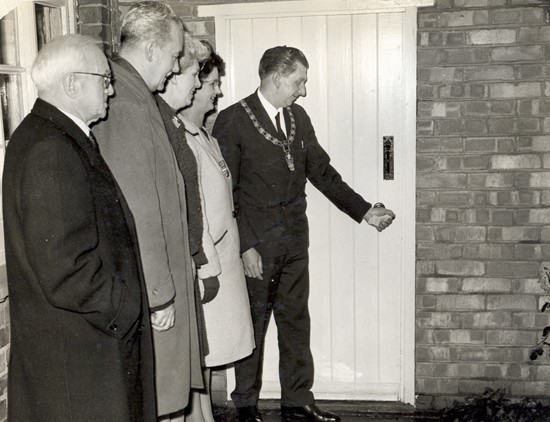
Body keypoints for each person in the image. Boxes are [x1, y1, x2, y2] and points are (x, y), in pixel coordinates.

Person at [212, 46, 396, 422]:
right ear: (277, 78)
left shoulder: (299, 118)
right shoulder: (232, 120)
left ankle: (297, 400)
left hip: (295, 241)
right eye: (299, 81)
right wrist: (245, 245)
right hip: (257, 248)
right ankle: (245, 406)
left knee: (296, 323)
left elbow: (323, 173)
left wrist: (364, 211)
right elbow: (224, 192)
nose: (303, 90)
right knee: (254, 327)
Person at [2, 34, 156, 421]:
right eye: (104, 79)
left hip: (82, 347)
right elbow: (64, 269)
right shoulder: (51, 148)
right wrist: (125, 307)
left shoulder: (49, 135)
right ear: (72, 84)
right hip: (84, 356)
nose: (111, 88)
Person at [92, 2, 203, 420]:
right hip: (147, 287)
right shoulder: (125, 102)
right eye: (175, 56)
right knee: (154, 398)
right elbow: (139, 207)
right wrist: (159, 295)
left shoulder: (137, 95)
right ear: (153, 50)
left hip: (153, 282)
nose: (176, 69)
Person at [180, 44, 255, 421]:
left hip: (223, 260)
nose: (218, 91)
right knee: (202, 353)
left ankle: (204, 415)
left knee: (210, 355)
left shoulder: (205, 136)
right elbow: (197, 215)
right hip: (207, 264)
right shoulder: (184, 140)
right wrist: (206, 267)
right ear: (192, 86)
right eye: (211, 82)